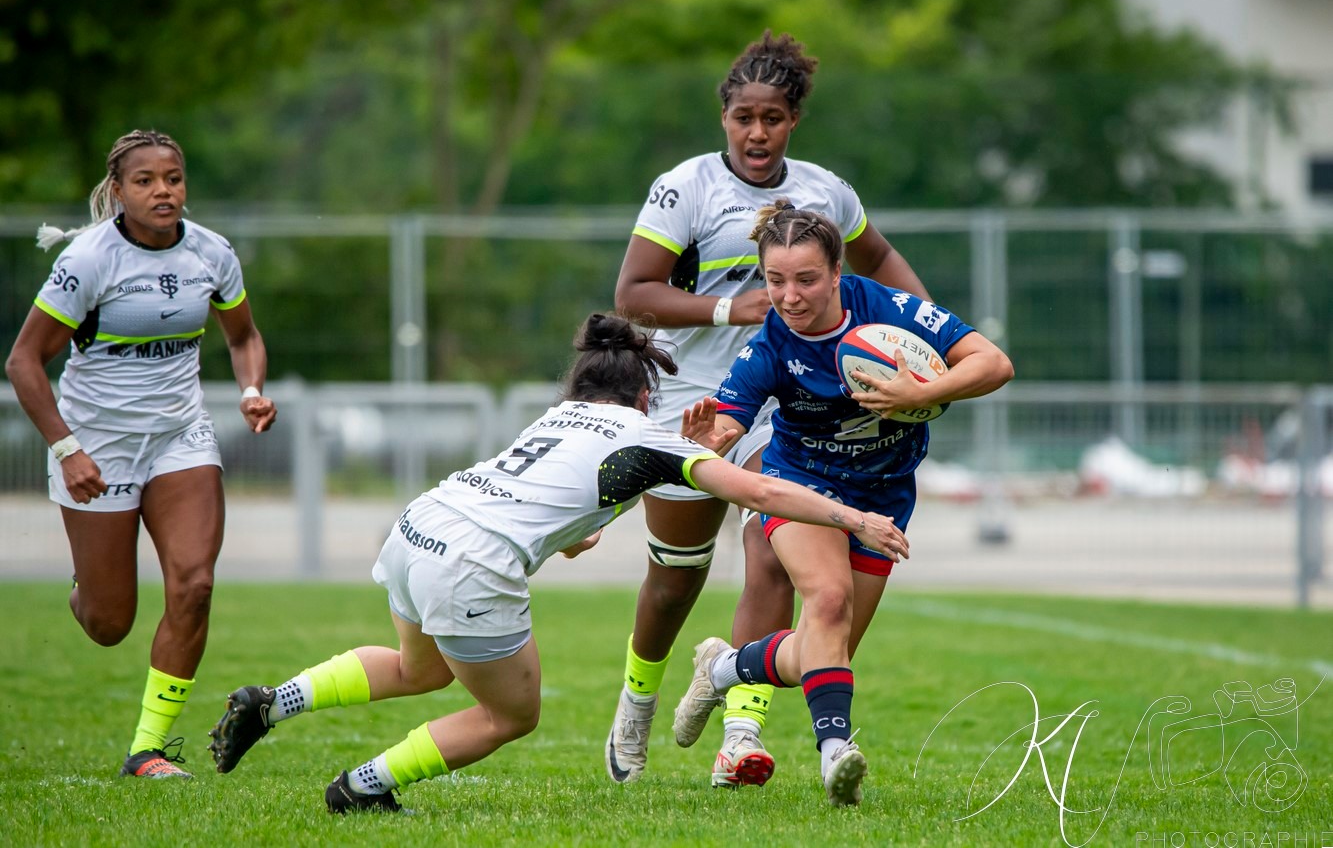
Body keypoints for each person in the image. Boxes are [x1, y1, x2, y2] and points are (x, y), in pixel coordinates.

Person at [205, 312, 908, 814]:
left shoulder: (555, 418)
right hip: (472, 562)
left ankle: (275, 701)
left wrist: (686, 458)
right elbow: (758, 490)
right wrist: (853, 518)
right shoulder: (648, 434)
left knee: (418, 668)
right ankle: (361, 786)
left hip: (420, 526)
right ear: (642, 394)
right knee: (509, 714)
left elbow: (570, 524)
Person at [608, 30, 932, 788]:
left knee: (769, 550)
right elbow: (633, 293)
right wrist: (732, 309)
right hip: (693, 398)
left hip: (783, 396)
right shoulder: (684, 187)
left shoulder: (825, 190)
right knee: (674, 578)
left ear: (793, 122)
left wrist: (923, 332)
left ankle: (740, 732)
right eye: (744, 117)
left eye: (774, 118)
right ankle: (638, 695)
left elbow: (879, 259)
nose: (757, 132)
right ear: (723, 116)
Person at [669, 201, 1012, 805]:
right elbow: (726, 424)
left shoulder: (889, 309)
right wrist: (710, 439)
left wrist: (922, 389)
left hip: (885, 492)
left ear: (835, 274)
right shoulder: (770, 346)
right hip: (802, 486)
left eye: (805, 280)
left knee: (825, 652)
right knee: (828, 599)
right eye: (775, 281)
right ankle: (837, 756)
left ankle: (721, 670)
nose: (790, 296)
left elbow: (994, 363)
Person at [4, 129, 277, 779]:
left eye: (174, 178)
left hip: (181, 437)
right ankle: (88, 584)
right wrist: (66, 447)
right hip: (95, 444)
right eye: (147, 180)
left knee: (195, 584)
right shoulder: (90, 260)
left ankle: (147, 749)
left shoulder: (211, 252)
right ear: (119, 191)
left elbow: (243, 336)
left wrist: (250, 389)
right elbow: (23, 361)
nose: (164, 191)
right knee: (108, 622)